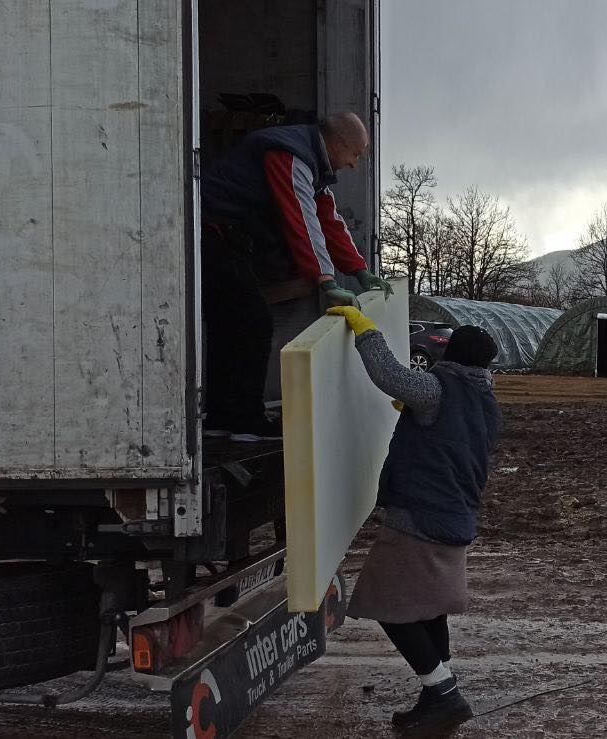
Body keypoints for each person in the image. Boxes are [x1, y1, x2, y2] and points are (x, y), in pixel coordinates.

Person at [329, 304, 501, 735]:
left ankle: (443, 692)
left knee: (391, 606)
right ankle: (436, 696)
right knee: (429, 609)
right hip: (454, 515)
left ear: (451, 355)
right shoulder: (484, 399)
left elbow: (388, 373)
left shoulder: (437, 390)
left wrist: (365, 329)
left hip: (419, 520)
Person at [199, 111, 394, 441]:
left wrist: (360, 271)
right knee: (254, 322)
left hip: (221, 234)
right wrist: (326, 281)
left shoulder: (312, 166)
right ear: (339, 143)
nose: (354, 164)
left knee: (231, 324)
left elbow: (330, 221)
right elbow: (301, 221)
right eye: (356, 154)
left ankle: (221, 417)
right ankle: (244, 420)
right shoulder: (291, 157)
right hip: (210, 231)